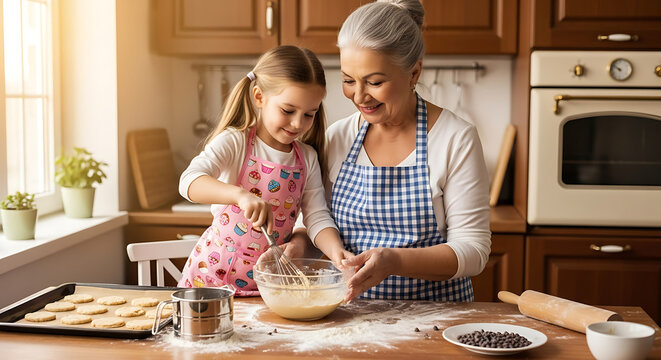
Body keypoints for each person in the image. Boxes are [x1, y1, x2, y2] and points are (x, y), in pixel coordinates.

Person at [285, 0, 491, 302]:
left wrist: (395, 262)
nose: (359, 96)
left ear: (414, 73)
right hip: (348, 315)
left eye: (375, 82)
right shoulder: (338, 136)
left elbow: (473, 251)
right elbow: (315, 216)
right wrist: (299, 244)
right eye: (348, 80)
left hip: (436, 319)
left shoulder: (455, 138)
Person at [177, 45, 343, 296]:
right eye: (288, 111)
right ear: (259, 97)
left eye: (309, 114)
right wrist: (239, 196)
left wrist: (337, 253)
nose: (298, 123)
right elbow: (189, 181)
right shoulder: (236, 142)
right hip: (211, 284)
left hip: (270, 287)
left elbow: (317, 217)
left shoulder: (306, 158)